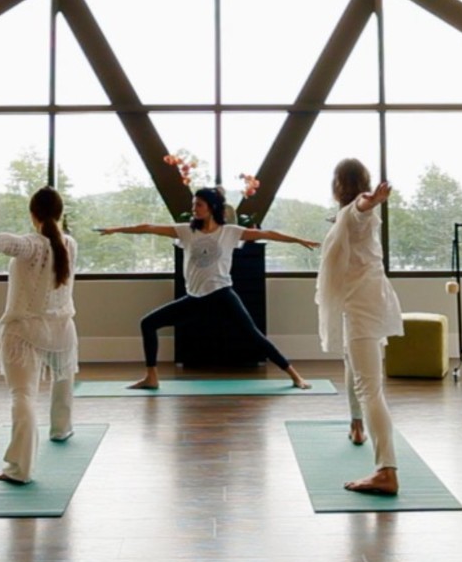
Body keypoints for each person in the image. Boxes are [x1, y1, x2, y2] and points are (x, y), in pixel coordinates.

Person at [99, 186, 319, 390]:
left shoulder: (230, 232)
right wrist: (115, 229)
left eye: (199, 205)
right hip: (194, 298)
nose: (194, 209)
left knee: (253, 335)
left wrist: (299, 240)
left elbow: (268, 234)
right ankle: (151, 377)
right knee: (148, 323)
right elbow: (148, 228)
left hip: (222, 295)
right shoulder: (185, 231)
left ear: (212, 207)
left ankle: (295, 376)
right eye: (193, 205)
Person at [0, 186, 79, 485]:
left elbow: (7, 242)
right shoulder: (70, 244)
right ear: (60, 213)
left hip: (24, 330)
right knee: (62, 380)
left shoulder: (32, 244)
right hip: (61, 328)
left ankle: (19, 469)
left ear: (32, 214)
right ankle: (61, 429)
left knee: (23, 394)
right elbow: (10, 242)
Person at [315, 159, 404, 495]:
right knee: (352, 364)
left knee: (370, 388)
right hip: (361, 301)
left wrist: (371, 199)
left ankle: (386, 470)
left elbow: (361, 209)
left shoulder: (357, 210)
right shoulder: (347, 215)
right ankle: (356, 425)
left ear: (338, 184)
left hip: (363, 305)